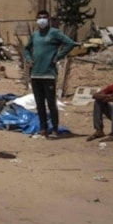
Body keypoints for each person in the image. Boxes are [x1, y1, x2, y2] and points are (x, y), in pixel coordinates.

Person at [23, 9, 76, 138]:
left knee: (51, 104)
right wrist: (29, 59)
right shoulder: (35, 35)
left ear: (48, 19)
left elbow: (70, 43)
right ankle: (43, 128)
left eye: (44, 17)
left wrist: (58, 56)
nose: (42, 19)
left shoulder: (54, 33)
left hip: (49, 73)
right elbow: (26, 48)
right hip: (35, 74)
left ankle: (55, 128)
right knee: (39, 104)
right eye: (39, 17)